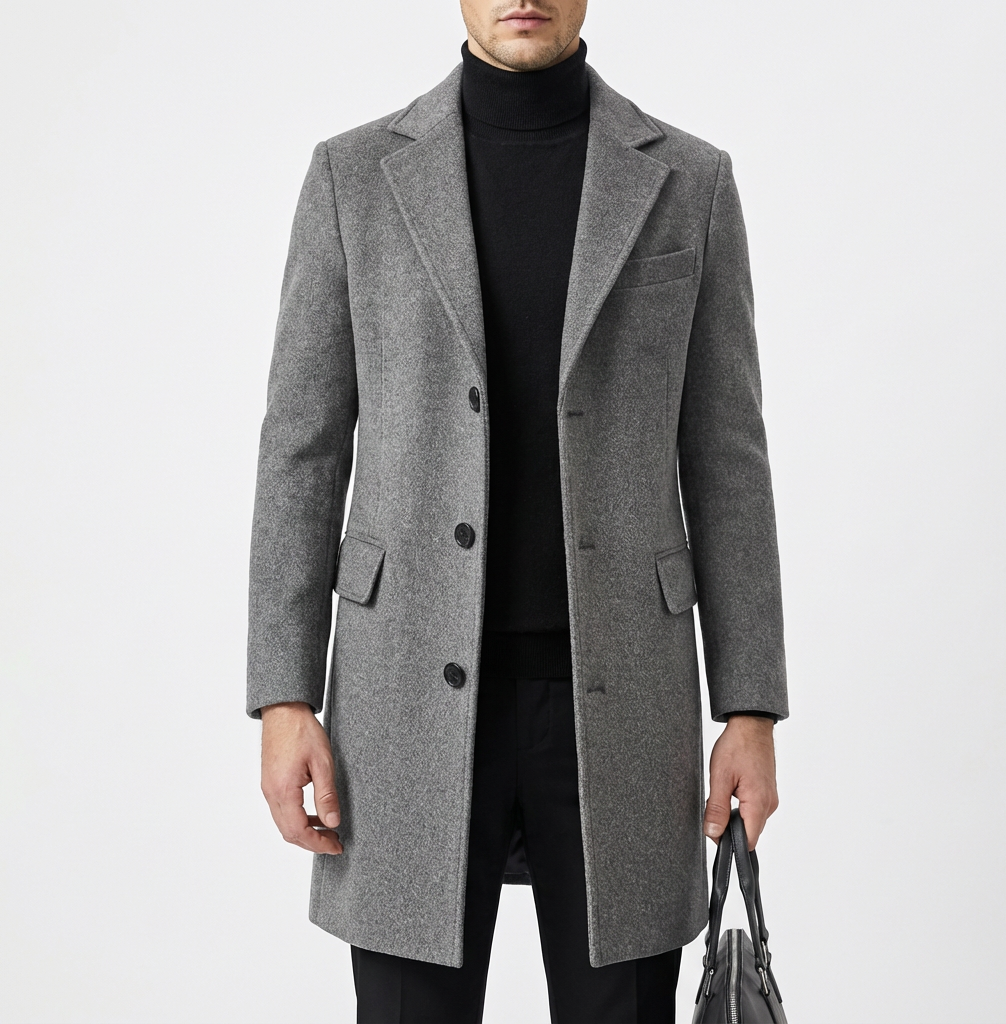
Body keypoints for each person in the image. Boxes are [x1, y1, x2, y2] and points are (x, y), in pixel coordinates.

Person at [247, 1, 789, 1020]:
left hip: (623, 706)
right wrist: (284, 696)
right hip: (399, 705)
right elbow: (300, 451)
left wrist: (748, 708)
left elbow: (728, 459)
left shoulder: (689, 181)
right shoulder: (353, 177)